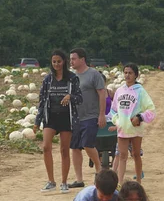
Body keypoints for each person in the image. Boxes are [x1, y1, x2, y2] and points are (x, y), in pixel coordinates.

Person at [33, 50, 83, 193]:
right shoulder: (47, 79)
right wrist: (37, 121)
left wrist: (70, 97)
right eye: (54, 62)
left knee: (64, 150)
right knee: (46, 147)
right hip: (51, 117)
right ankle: (51, 181)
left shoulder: (72, 78)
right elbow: (42, 101)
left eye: (59, 61)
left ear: (64, 62)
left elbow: (79, 98)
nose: (56, 64)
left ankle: (64, 182)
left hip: (66, 118)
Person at [110, 63, 155, 185]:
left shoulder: (140, 92)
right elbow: (113, 110)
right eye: (125, 72)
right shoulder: (119, 91)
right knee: (122, 155)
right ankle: (119, 183)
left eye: (130, 73)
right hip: (123, 129)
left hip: (135, 129)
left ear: (136, 75)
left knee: (136, 155)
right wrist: (117, 121)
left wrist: (140, 117)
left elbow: (151, 110)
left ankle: (139, 182)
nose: (127, 75)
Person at [69, 48, 107, 188]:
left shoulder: (93, 74)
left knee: (87, 144)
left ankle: (99, 170)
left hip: (90, 116)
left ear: (82, 59)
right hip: (75, 117)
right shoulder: (71, 77)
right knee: (75, 147)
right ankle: (79, 179)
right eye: (70, 59)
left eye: (73, 59)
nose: (71, 61)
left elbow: (102, 94)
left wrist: (101, 114)